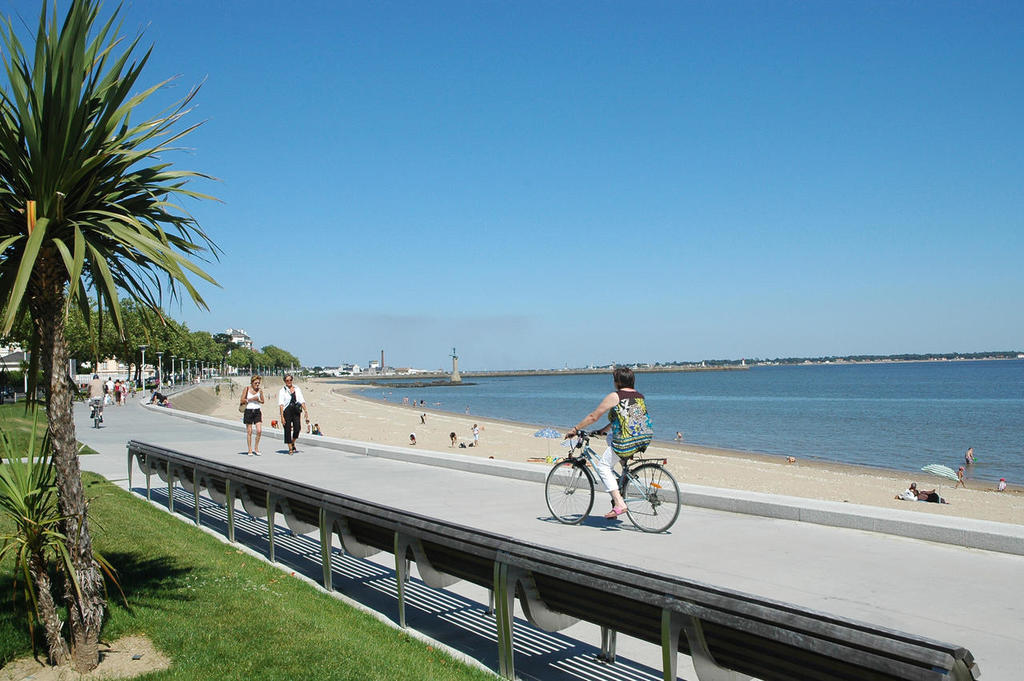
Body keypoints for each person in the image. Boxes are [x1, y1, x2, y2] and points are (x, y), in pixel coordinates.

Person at [566, 366, 652, 519]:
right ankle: (623, 475)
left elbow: (593, 416)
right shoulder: (639, 396)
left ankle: (619, 503)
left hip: (627, 440)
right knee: (609, 438)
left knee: (603, 467)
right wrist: (603, 430)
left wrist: (575, 428)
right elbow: (625, 418)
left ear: (617, 381)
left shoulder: (615, 396)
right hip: (643, 437)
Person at [277, 374, 309, 455]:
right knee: (287, 430)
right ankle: (290, 448)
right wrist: (282, 417)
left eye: (290, 380)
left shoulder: (297, 389)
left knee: (297, 428)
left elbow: (302, 400)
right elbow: (281, 404)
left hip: (296, 410)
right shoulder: (282, 391)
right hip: (287, 411)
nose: (289, 382)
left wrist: (305, 411)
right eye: (287, 380)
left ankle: (292, 442)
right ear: (285, 381)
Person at [240, 375, 265, 456]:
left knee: (259, 430)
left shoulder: (260, 391)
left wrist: (258, 400)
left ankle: (256, 448)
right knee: (249, 431)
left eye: (258, 383)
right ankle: (250, 449)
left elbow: (263, 401)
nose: (257, 385)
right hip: (248, 411)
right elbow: (242, 400)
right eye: (256, 383)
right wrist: (251, 399)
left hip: (257, 411)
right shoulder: (247, 389)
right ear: (252, 382)